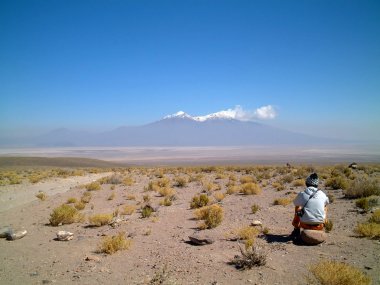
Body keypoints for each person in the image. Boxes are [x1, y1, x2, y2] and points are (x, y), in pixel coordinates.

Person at [290, 173, 329, 239]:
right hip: (319, 225)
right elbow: (327, 202)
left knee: (298, 207)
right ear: (317, 184)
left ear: (306, 183)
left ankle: (296, 228)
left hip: (304, 224)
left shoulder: (302, 194)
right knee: (325, 206)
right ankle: (324, 224)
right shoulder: (322, 194)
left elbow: (295, 203)